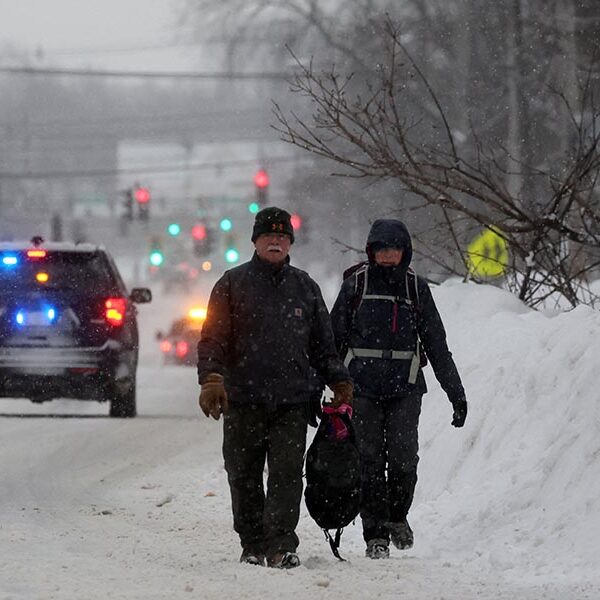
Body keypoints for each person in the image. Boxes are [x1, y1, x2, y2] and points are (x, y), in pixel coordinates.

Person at [197, 207, 353, 569]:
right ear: (255, 241)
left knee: (286, 474)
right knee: (243, 472)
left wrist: (339, 379)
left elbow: (323, 347)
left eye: (282, 237)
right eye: (268, 236)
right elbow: (212, 339)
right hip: (243, 399)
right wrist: (212, 379)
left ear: (290, 244)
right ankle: (252, 542)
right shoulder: (232, 284)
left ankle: (282, 544)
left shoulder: (305, 288)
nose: (275, 241)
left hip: (292, 402)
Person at [330, 218, 467, 560]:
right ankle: (375, 534)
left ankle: (397, 516)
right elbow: (331, 341)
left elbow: (437, 345)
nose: (388, 256)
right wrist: (328, 385)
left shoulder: (416, 289)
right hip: (362, 387)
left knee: (404, 460)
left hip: (405, 388)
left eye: (394, 249)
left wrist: (456, 393)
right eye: (382, 249)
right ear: (371, 251)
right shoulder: (355, 286)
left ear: (405, 252)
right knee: (370, 462)